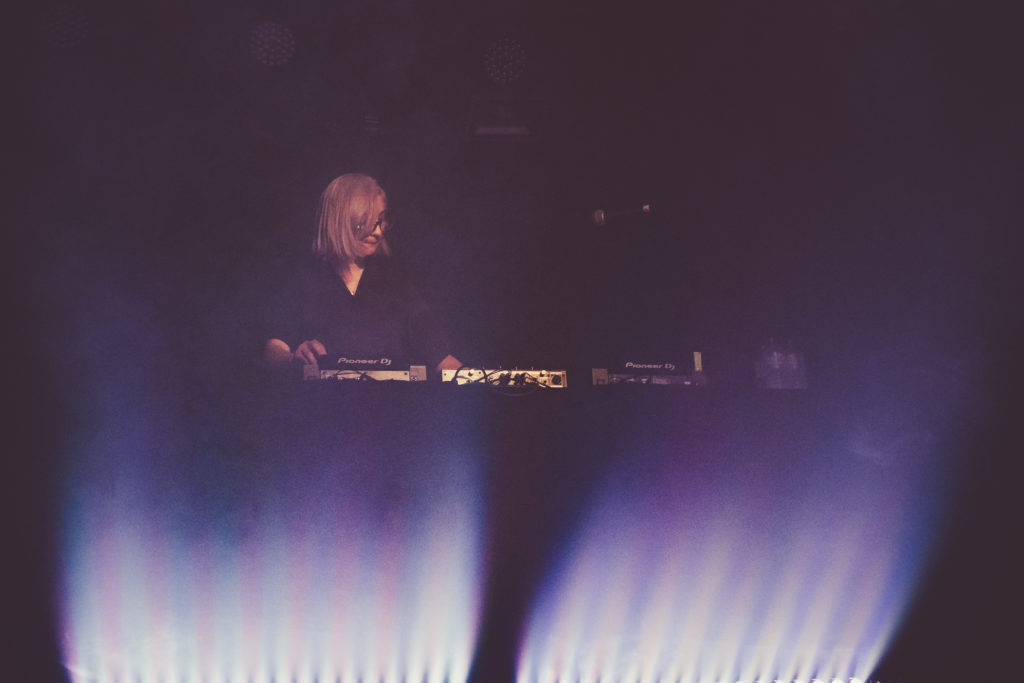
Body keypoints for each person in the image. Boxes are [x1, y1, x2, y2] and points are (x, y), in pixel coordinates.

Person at [263, 173, 461, 373]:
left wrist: (478, 380)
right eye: (365, 221)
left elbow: (442, 359)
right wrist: (292, 357)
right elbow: (273, 349)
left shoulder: (396, 284)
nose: (377, 231)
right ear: (341, 220)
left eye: (381, 221)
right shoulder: (302, 279)